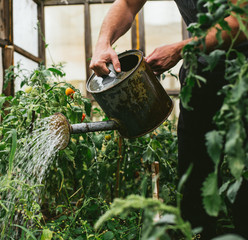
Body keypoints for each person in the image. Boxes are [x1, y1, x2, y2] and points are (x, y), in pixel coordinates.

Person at [89, 0, 248, 239]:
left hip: (243, 73)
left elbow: (242, 19)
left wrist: (181, 49)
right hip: (200, 77)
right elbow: (127, 4)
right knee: (194, 185)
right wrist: (103, 43)